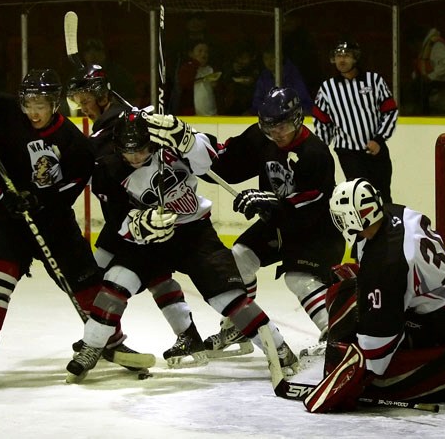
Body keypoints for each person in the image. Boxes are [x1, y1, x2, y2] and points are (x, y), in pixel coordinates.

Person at [0, 69, 154, 386]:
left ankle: (111, 342)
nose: (34, 112)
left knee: (87, 286)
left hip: (54, 223)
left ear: (55, 103)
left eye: (41, 104)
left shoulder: (73, 143)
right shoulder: (5, 111)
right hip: (9, 219)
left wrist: (39, 202)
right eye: (29, 103)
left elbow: (71, 187)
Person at [65, 108, 299, 381]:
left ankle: (279, 348)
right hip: (148, 242)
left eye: (141, 150)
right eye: (128, 152)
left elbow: (208, 164)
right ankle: (92, 347)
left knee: (229, 298)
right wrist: (141, 225)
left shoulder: (171, 145)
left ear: (152, 142)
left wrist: (188, 140)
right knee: (115, 284)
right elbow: (117, 220)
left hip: (194, 234)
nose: (135, 158)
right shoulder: (108, 169)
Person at [303, 178, 445, 413]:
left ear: (355, 219)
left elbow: (377, 352)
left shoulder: (385, 265)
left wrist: (357, 377)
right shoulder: (394, 211)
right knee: (348, 289)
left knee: (378, 378)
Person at [65, 65, 201, 368]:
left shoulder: (114, 125)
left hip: (141, 217)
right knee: (94, 276)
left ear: (102, 96)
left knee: (141, 276)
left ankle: (102, 337)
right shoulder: (112, 118)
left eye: (86, 101)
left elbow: (94, 152)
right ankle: (103, 334)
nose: (83, 108)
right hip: (119, 219)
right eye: (80, 102)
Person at [203, 87, 346, 357]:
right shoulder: (260, 138)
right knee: (239, 258)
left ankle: (337, 335)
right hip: (279, 223)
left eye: (282, 125)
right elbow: (226, 166)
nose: (276, 133)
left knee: (299, 278)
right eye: (270, 126)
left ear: (296, 119)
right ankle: (240, 326)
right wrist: (192, 146)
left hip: (318, 229)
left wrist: (268, 202)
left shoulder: (315, 154)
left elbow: (309, 207)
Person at [313, 40, 398, 204]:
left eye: (346, 56)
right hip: (348, 152)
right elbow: (322, 121)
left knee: (383, 196)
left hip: (376, 150)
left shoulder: (374, 80)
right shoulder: (327, 88)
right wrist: (322, 150)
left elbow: (390, 111)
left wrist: (379, 139)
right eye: (338, 56)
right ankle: (364, 230)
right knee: (362, 198)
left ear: (355, 58)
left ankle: (388, 229)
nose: (342, 60)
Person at [412, 27, 445, 114]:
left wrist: (430, 78)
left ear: (414, 42)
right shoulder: (426, 48)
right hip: (437, 102)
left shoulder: (436, 46)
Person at [250, 43, 313, 115]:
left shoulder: (292, 74)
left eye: (273, 57)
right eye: (266, 58)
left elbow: (302, 99)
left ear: (281, 57)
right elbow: (257, 101)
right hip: (270, 117)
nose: (269, 62)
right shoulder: (264, 77)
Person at [171, 39, 221, 116]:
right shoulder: (187, 67)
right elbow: (185, 82)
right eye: (200, 51)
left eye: (206, 51)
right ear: (191, 54)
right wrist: (196, 63)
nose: (203, 54)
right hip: (193, 113)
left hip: (211, 112)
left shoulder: (210, 69)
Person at [216, 39, 261, 115]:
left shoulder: (257, 68)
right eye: (239, 58)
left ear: (253, 57)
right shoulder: (231, 66)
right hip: (233, 105)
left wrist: (253, 82)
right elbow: (223, 82)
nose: (241, 61)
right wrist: (231, 70)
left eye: (244, 58)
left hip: (252, 105)